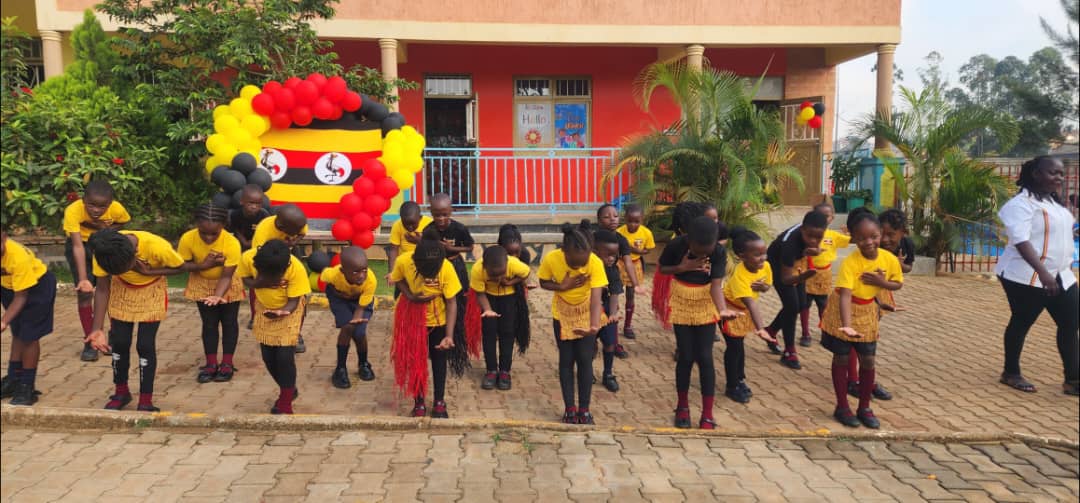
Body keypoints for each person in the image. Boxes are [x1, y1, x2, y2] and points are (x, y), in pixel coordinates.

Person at [995, 156, 1078, 396]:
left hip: (1062, 275)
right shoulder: (1019, 205)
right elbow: (1021, 241)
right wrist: (1043, 273)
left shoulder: (1055, 204)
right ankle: (1010, 373)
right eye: (1053, 173)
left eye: (1061, 174)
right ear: (1035, 174)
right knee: (1022, 321)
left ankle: (1073, 380)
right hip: (1025, 275)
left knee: (1071, 324)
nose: (1059, 178)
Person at [84, 229, 185, 412]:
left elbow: (180, 267)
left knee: (145, 345)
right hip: (121, 292)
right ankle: (121, 392)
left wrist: (149, 272)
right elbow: (102, 289)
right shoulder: (103, 252)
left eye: (125, 268)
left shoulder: (156, 246)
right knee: (120, 343)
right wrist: (96, 328)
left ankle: (145, 400)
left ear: (133, 254)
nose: (124, 271)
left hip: (151, 291)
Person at [820, 208, 903, 428]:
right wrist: (846, 326)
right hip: (843, 311)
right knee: (842, 358)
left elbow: (897, 283)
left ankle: (864, 407)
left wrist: (882, 284)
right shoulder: (850, 262)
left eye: (874, 236)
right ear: (854, 239)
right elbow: (845, 295)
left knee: (868, 359)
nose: (869, 242)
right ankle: (842, 406)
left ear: (881, 234)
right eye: (862, 238)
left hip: (867, 312)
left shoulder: (888, 259)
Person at [654, 216, 739, 429]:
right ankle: (682, 407)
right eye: (698, 249)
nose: (703, 254)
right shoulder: (676, 245)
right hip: (681, 299)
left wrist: (722, 310)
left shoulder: (719, 253)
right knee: (686, 356)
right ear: (688, 240)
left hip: (705, 302)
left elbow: (716, 286)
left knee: (705, 357)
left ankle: (707, 413)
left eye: (707, 250)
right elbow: (663, 269)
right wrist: (683, 267)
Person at [539, 222, 608, 425]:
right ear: (564, 252)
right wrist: (562, 286)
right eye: (574, 263)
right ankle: (569, 409)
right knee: (566, 360)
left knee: (585, 360)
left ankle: (584, 410)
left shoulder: (595, 262)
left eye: (582, 262)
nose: (579, 266)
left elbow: (597, 298)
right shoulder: (552, 258)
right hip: (562, 313)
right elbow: (543, 282)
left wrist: (593, 327)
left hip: (587, 312)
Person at [236, 240, 311, 414]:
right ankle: (289, 389)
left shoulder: (296, 269)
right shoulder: (248, 258)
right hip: (263, 308)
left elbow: (294, 301)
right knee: (268, 357)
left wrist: (282, 312)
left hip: (289, 311)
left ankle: (285, 402)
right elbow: (245, 278)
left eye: (274, 276)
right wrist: (257, 284)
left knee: (284, 357)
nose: (270, 278)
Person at [391, 237, 462, 418]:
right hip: (412, 319)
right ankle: (419, 402)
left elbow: (452, 301)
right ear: (415, 261)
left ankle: (439, 401)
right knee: (416, 361)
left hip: (438, 321)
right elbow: (398, 278)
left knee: (439, 359)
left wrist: (449, 335)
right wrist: (410, 296)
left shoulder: (446, 267)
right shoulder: (403, 261)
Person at [63, 180, 130, 362]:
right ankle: (90, 340)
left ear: (110, 204)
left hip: (104, 246)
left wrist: (106, 229)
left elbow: (124, 222)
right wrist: (83, 279)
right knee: (84, 294)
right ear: (83, 200)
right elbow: (77, 246)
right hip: (81, 248)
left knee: (108, 290)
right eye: (91, 205)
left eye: (102, 207)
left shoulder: (116, 209)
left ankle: (113, 336)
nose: (96, 210)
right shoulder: (73, 210)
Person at [177, 204, 244, 384]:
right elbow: (182, 266)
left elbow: (227, 275)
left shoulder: (231, 243)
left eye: (213, 234)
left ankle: (227, 363)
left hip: (227, 283)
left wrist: (218, 296)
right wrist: (203, 266)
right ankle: (211, 363)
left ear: (223, 226)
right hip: (201, 282)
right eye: (203, 232)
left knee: (229, 322)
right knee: (209, 323)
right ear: (197, 224)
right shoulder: (187, 239)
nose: (208, 237)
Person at [721, 227, 778, 403]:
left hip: (745, 311)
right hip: (730, 310)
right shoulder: (739, 275)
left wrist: (764, 287)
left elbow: (768, 285)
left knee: (739, 345)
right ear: (741, 256)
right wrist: (761, 329)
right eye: (757, 255)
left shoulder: (765, 266)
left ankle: (739, 379)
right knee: (734, 347)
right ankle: (732, 386)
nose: (763, 258)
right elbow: (751, 303)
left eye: (764, 253)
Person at [764, 211, 827, 369]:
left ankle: (771, 330)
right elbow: (786, 279)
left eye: (818, 237)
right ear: (803, 230)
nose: (813, 241)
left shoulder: (812, 231)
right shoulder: (789, 244)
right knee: (792, 306)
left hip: (797, 264)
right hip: (778, 266)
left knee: (801, 304)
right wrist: (804, 276)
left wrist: (812, 251)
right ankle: (789, 352)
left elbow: (810, 244)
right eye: (809, 236)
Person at [1, 232, 57, 406]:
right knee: (18, 332)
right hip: (10, 287)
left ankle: (27, 386)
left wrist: (3, 321)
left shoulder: (18, 258)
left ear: (3, 237)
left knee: (29, 337)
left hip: (36, 289)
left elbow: (21, 297)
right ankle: (13, 379)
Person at [466, 245, 531, 390]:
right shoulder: (477, 269)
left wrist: (510, 282)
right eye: (493, 275)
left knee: (507, 333)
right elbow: (480, 293)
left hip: (509, 298)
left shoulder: (514, 264)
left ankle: (504, 371)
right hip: (488, 299)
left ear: (507, 264)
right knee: (489, 334)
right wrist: (488, 310)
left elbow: (526, 273)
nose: (497, 279)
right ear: (484, 266)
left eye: (501, 274)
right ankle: (491, 370)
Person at [250, 203, 309, 352]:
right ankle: (261, 324)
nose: (298, 232)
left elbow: (302, 232)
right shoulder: (263, 231)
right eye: (294, 231)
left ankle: (296, 333)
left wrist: (293, 242)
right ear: (282, 227)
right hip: (267, 261)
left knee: (299, 297)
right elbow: (259, 259)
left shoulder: (296, 224)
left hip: (288, 255)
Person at [321, 246, 377, 389]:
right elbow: (323, 277)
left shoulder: (370, 279)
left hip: (361, 301)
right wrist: (338, 293)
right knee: (347, 327)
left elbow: (361, 307)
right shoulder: (333, 274)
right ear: (343, 270)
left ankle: (363, 363)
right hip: (339, 298)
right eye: (356, 272)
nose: (361, 275)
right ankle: (340, 369)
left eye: (364, 270)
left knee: (359, 332)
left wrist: (356, 318)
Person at [429, 193, 475, 354]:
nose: (441, 218)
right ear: (430, 212)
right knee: (441, 301)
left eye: (445, 215)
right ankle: (440, 338)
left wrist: (451, 249)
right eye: (437, 215)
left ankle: (458, 338)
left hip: (456, 266)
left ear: (451, 211)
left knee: (458, 301)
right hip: (438, 268)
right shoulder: (429, 229)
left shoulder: (459, 228)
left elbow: (469, 247)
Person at [800, 204, 850, 347]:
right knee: (805, 304)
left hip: (824, 274)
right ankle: (805, 333)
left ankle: (825, 333)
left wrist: (850, 233)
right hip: (808, 272)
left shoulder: (834, 235)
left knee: (823, 305)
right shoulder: (806, 234)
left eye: (827, 216)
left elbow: (850, 240)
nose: (823, 219)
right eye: (820, 215)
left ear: (832, 218)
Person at [228, 184, 270, 330]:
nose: (254, 207)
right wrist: (243, 242)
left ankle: (256, 316)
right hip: (242, 248)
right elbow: (235, 230)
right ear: (242, 202)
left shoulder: (264, 215)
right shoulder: (235, 214)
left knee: (256, 282)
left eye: (257, 204)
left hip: (259, 250)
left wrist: (250, 244)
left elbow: (265, 235)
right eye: (250, 203)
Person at [592, 229, 625, 392]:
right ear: (595, 252)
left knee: (610, 343)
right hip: (589, 309)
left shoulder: (613, 269)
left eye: (615, 254)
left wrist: (612, 314)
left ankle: (608, 373)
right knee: (589, 343)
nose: (612, 258)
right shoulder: (589, 267)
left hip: (606, 308)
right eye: (608, 254)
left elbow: (614, 293)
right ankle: (587, 370)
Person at [616, 204, 655, 340]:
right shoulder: (619, 232)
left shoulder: (646, 233)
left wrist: (638, 251)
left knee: (630, 295)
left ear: (642, 220)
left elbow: (648, 249)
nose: (633, 225)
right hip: (620, 264)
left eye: (636, 221)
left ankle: (627, 325)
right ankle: (613, 323)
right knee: (614, 292)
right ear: (625, 219)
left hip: (636, 264)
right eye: (629, 221)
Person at [386, 201, 433, 297]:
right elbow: (393, 249)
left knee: (422, 295)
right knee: (401, 296)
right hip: (404, 268)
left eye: (413, 224)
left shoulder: (429, 224)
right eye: (406, 224)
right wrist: (392, 272)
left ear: (419, 218)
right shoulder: (397, 225)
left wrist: (421, 241)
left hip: (424, 267)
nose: (410, 227)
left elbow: (435, 246)